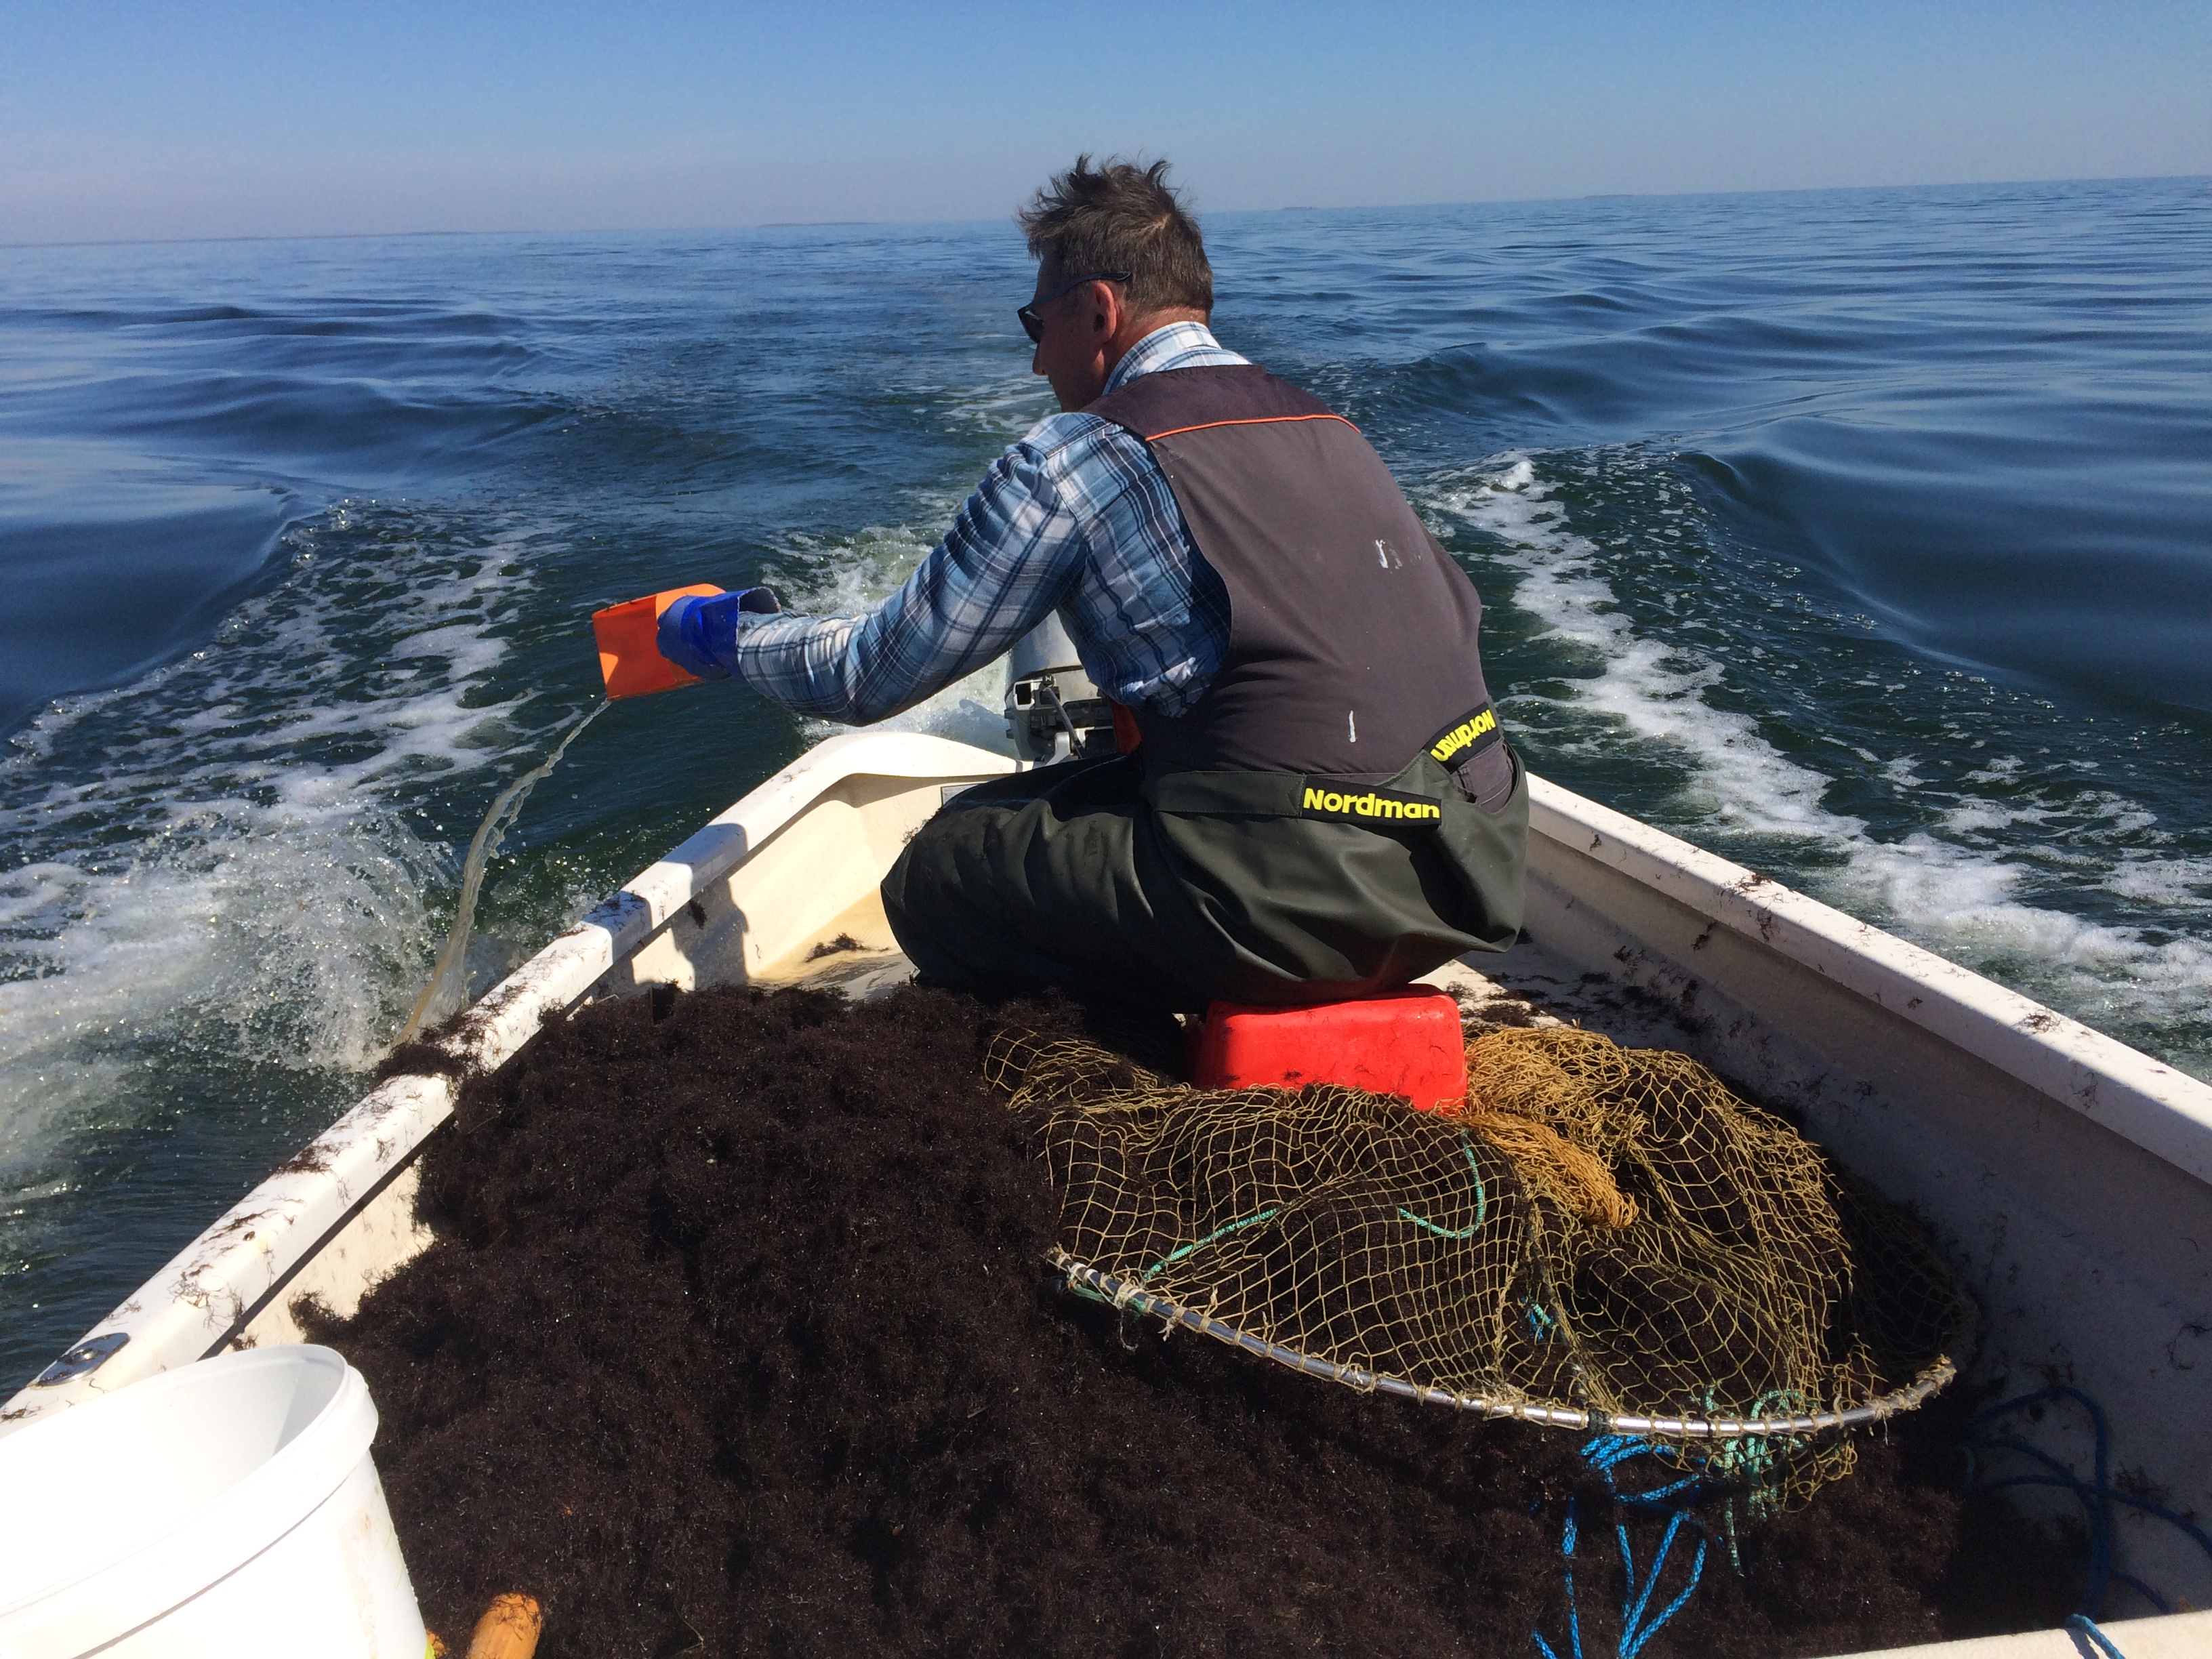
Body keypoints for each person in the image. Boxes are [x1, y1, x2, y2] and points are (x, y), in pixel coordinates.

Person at [657, 157, 1525, 1011]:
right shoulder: (1330, 426)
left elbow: (868, 674)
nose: (1037, 364)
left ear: (1100, 310)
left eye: (1037, 326)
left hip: (1298, 904)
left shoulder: (1075, 458)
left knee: (943, 866)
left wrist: (717, 634)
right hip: (1472, 865)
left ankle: (1112, 1068)